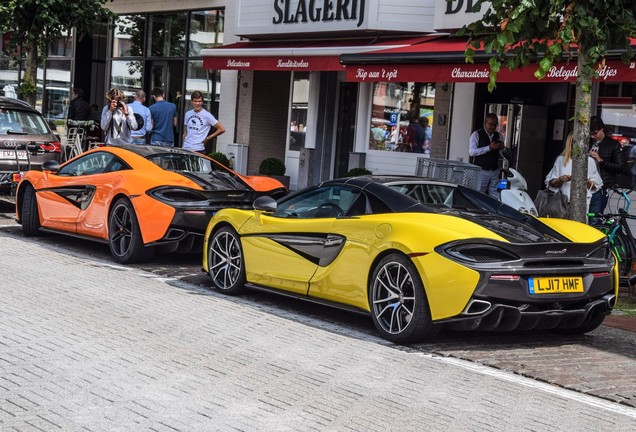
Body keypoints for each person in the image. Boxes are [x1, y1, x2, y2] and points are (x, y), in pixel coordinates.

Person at [546, 132, 602, 212]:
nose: (578, 146)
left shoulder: (589, 161)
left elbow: (595, 186)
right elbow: (551, 184)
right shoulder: (561, 160)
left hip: (582, 204)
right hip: (563, 203)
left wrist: (584, 180)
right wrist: (560, 179)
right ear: (570, 144)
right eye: (575, 142)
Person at [588, 116, 626, 214]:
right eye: (590, 134)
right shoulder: (586, 142)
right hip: (584, 185)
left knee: (594, 219)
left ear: (602, 129)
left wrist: (600, 160)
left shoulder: (613, 144)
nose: (592, 136)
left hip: (600, 187)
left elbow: (620, 167)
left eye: (594, 133)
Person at [469, 113, 505, 198]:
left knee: (496, 194)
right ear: (485, 123)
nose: (492, 127)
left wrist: (502, 148)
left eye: (495, 125)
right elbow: (471, 152)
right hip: (481, 170)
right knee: (479, 194)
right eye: (490, 124)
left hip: (494, 170)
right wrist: (488, 148)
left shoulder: (499, 135)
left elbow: (501, 154)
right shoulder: (476, 134)